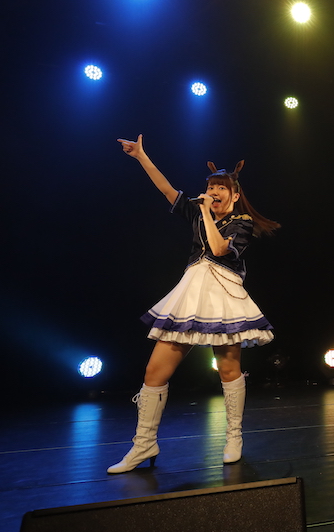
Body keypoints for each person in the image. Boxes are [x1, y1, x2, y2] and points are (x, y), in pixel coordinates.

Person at [108, 134, 280, 473]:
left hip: (223, 297)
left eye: (220, 188)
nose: (213, 192)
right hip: (190, 294)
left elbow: (218, 249)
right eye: (210, 187)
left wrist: (203, 211)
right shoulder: (198, 212)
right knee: (154, 371)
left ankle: (234, 437)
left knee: (228, 370)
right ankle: (144, 443)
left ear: (234, 195)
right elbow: (166, 189)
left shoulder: (241, 224)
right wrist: (142, 156)